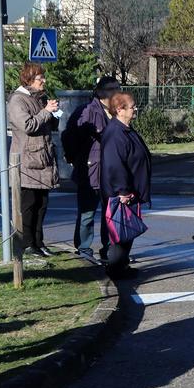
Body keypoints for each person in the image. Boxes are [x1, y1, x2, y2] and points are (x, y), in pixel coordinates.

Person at [7, 63, 61, 258]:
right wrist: (46, 111)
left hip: (43, 160)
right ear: (29, 80)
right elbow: (28, 125)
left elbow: (49, 124)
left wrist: (54, 112)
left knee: (42, 205)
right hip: (28, 163)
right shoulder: (17, 100)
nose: (44, 81)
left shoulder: (39, 98)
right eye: (40, 78)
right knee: (29, 206)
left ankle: (39, 243)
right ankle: (27, 244)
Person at [99, 92, 151, 280]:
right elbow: (115, 164)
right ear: (120, 110)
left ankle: (122, 266)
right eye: (132, 106)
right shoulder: (115, 133)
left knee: (127, 231)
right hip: (121, 192)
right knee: (121, 232)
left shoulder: (125, 129)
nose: (135, 109)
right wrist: (123, 190)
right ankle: (115, 270)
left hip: (130, 190)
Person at [65, 77, 118, 261]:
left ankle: (108, 249)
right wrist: (73, 158)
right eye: (112, 88)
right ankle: (84, 248)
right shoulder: (87, 111)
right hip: (90, 170)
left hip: (110, 172)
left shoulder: (116, 111)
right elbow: (69, 135)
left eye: (118, 88)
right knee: (87, 212)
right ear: (101, 91)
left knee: (109, 213)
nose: (116, 92)